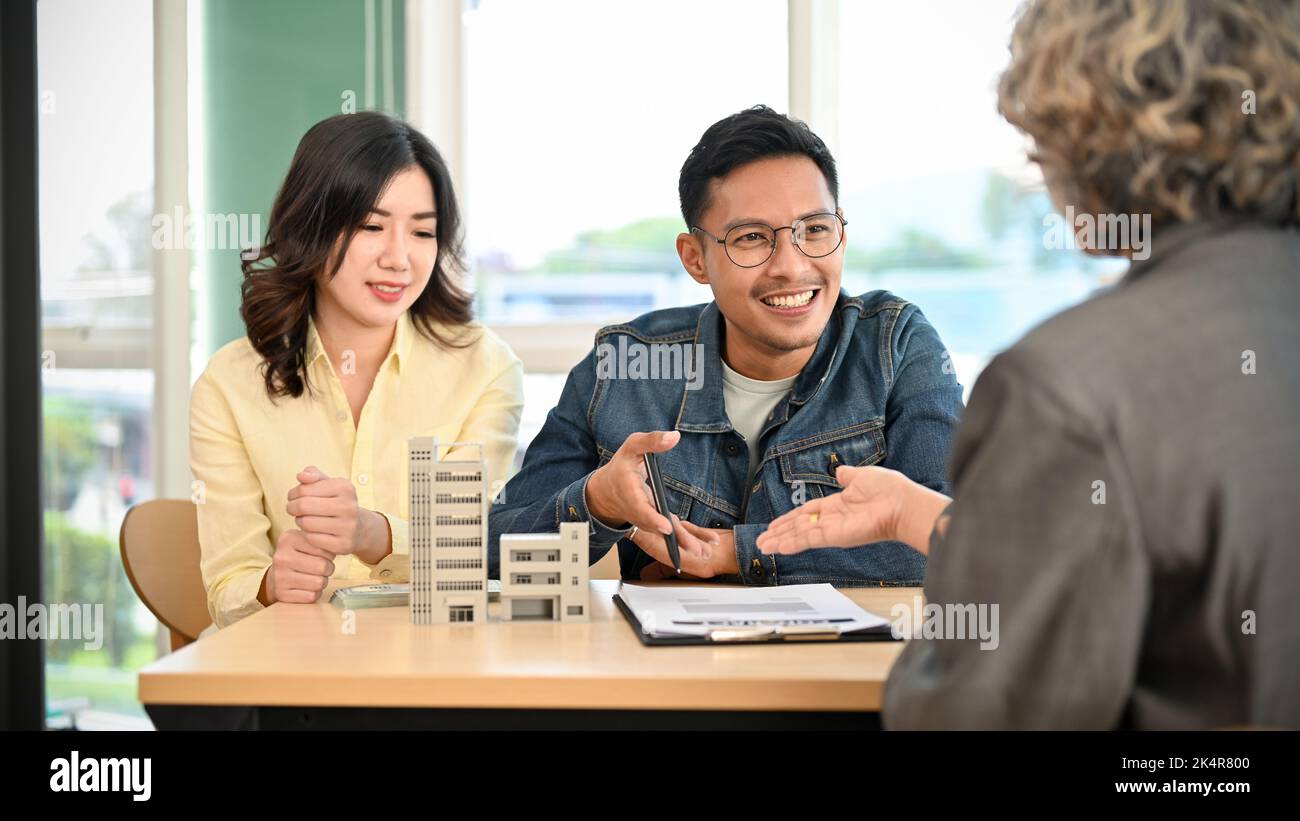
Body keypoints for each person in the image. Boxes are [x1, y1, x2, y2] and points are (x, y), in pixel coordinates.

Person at [758, 0, 1300, 729]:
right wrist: (925, 518)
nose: (1033, 160)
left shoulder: (1067, 385)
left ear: (1091, 129)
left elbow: (975, 715)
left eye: (1038, 128)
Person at [489, 105, 963, 585]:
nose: (791, 267)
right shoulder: (624, 368)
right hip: (666, 661)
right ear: (695, 259)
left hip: (841, 661)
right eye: (752, 238)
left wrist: (736, 554)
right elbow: (494, 551)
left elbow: (957, 540)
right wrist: (597, 502)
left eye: (815, 229)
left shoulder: (895, 346)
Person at [191, 112, 523, 629]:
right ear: (310, 226)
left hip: (432, 668)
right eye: (371, 226)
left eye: (422, 232)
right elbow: (229, 582)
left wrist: (375, 534)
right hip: (289, 676)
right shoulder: (229, 383)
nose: (400, 259)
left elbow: (472, 548)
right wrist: (271, 583)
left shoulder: (484, 367)